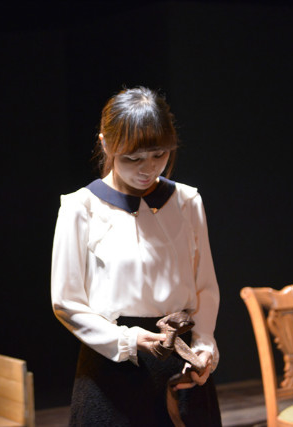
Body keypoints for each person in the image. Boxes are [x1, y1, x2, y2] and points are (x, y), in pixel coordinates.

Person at [51, 87, 221, 426]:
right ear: (105, 144)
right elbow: (66, 302)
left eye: (159, 154)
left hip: (181, 363)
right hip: (112, 370)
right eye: (133, 158)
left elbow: (205, 285)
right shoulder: (80, 207)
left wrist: (204, 345)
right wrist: (127, 339)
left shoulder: (187, 202)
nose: (148, 168)